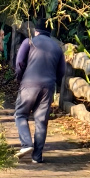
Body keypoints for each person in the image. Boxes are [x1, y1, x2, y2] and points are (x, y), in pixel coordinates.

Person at [13, 15, 66, 164]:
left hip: (29, 84)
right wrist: (53, 82)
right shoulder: (57, 47)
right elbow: (62, 70)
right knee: (41, 121)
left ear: (36, 30)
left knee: (21, 115)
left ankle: (26, 144)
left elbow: (19, 63)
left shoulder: (29, 42)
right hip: (48, 86)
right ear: (50, 32)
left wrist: (20, 78)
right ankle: (37, 156)